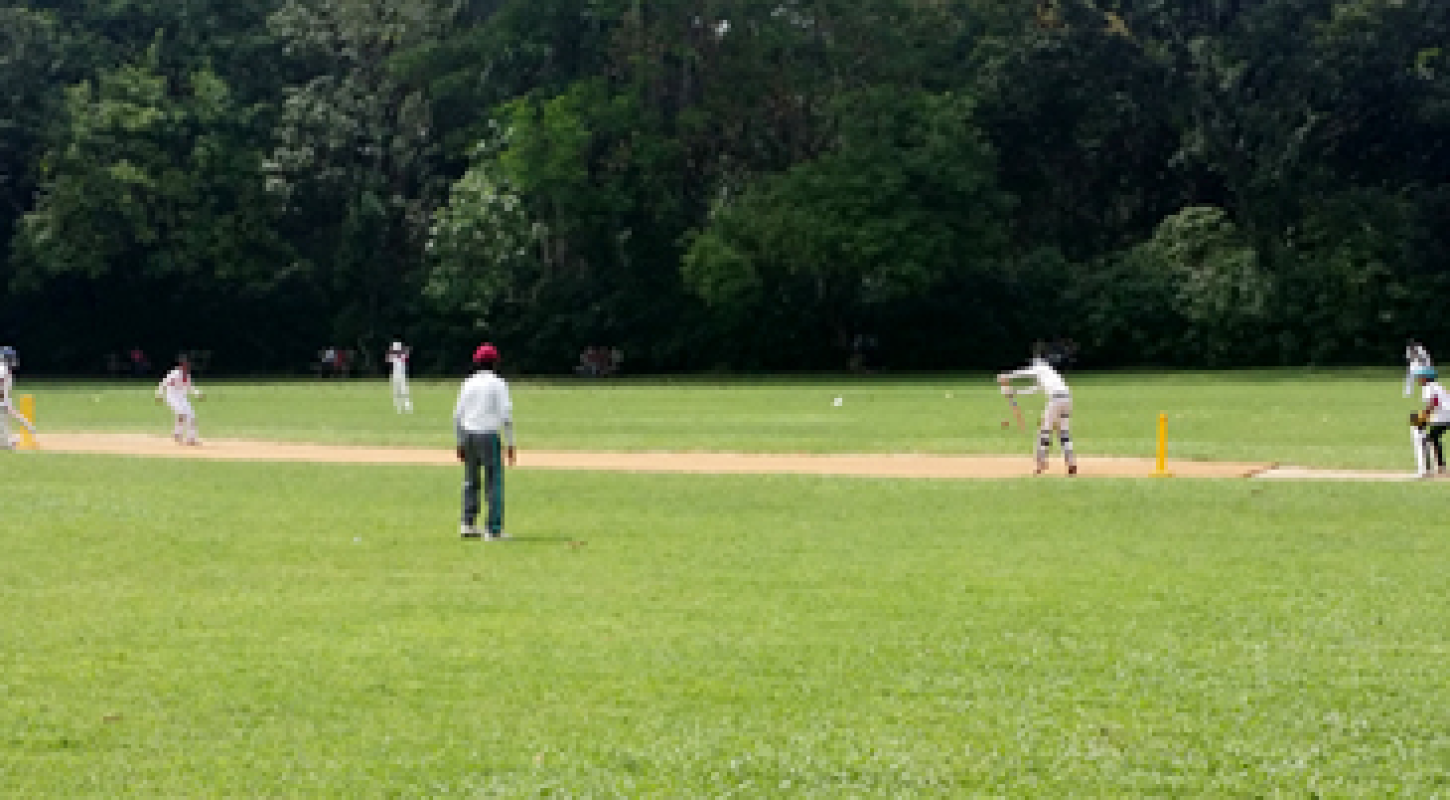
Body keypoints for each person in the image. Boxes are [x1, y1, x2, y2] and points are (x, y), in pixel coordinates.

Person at [453, 343, 516, 539]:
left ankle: (467, 523)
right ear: (495, 362)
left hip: (469, 434)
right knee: (493, 482)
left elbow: (457, 415)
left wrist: (460, 442)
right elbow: (506, 416)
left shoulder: (468, 382)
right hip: (488, 435)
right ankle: (493, 529)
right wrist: (511, 443)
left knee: (470, 481)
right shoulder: (498, 383)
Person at [997, 351, 1078, 476]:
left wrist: (1007, 376)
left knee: (1044, 432)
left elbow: (1025, 373)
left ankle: (1041, 464)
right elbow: (1033, 390)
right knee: (1064, 433)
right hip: (1067, 399)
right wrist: (1014, 392)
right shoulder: (1049, 375)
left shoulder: (1041, 368)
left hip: (1056, 399)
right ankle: (1071, 463)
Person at [155, 356, 204, 445]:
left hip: (182, 398)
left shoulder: (187, 375)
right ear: (181, 365)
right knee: (182, 413)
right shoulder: (174, 374)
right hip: (171, 396)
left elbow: (190, 387)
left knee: (192, 416)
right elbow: (163, 383)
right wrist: (159, 394)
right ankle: (177, 433)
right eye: (186, 365)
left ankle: (191, 439)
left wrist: (198, 393)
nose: (188, 366)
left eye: (188, 365)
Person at [1411, 365, 1450, 478]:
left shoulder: (1428, 387)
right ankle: (1441, 467)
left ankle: (1425, 469)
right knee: (1433, 437)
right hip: (1446, 415)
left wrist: (1422, 416)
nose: (1418, 379)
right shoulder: (1437, 386)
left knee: (1422, 437)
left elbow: (1434, 403)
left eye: (1420, 376)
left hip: (1444, 416)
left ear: (1426, 378)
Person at [0, 346, 37, 449]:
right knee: (7, 446)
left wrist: (26, 424)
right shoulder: (2, 369)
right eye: (10, 358)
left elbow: (9, 407)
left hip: (2, 405)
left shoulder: (4, 370)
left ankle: (8, 439)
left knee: (8, 440)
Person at [385, 340, 413, 413]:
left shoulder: (401, 356)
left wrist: (402, 351)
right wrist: (391, 351)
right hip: (395, 376)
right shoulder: (393, 356)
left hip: (402, 376)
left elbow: (406, 355)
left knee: (404, 392)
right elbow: (387, 359)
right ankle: (399, 407)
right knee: (396, 392)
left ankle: (407, 407)